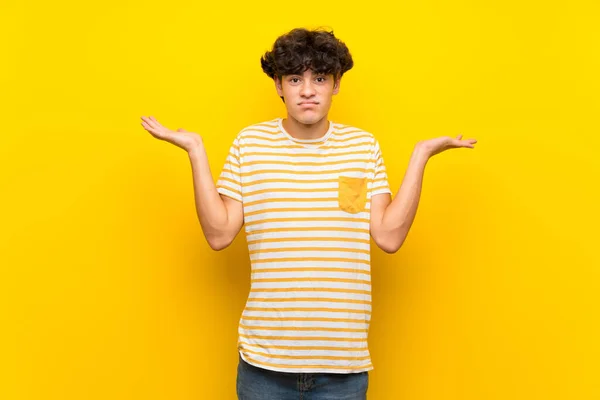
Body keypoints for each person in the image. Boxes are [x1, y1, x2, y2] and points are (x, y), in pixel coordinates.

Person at [141, 27, 476, 400]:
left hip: (342, 367)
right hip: (264, 366)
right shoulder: (250, 144)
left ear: (335, 85)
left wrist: (421, 155)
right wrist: (196, 151)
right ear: (279, 86)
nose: (307, 90)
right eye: (294, 78)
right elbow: (219, 235)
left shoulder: (361, 147)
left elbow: (389, 236)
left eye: (319, 78)